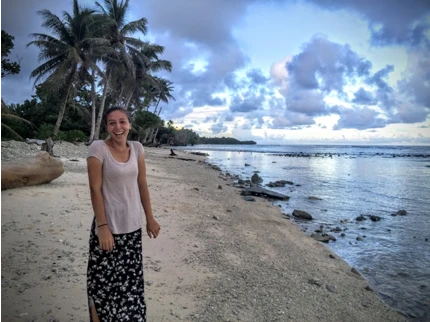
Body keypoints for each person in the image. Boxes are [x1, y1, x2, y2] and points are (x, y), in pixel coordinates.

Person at [86, 106, 160, 321]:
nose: (118, 127)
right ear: (107, 127)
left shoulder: (137, 148)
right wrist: (102, 227)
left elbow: (142, 183)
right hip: (108, 228)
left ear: (129, 124)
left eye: (122, 121)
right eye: (112, 123)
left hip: (132, 228)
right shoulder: (98, 148)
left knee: (130, 285)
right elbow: (95, 189)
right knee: (102, 283)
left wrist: (150, 218)